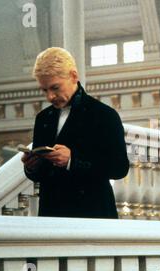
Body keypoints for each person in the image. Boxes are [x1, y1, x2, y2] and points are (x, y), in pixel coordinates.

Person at [22, 47, 129, 219]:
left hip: (92, 215)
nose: (50, 96)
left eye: (55, 88)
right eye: (44, 90)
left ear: (73, 76)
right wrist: (32, 167)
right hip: (52, 216)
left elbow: (119, 168)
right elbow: (41, 176)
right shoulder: (43, 118)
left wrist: (72, 161)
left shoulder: (104, 114)